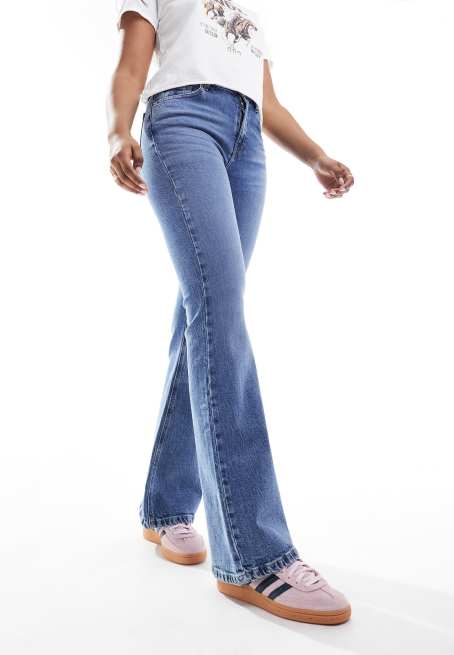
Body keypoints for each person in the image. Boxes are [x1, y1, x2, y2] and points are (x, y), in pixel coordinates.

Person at [108, 0, 354, 626]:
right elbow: (131, 66)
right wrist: (117, 130)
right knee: (218, 311)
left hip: (247, 143)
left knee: (207, 309)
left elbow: (267, 102)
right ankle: (253, 555)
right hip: (181, 122)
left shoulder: (250, 10)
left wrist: (316, 156)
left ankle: (165, 508)